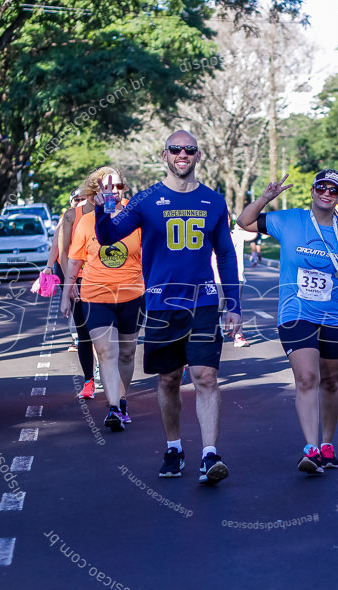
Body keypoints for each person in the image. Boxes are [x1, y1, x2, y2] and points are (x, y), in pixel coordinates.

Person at [95, 130, 241, 486]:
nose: (182, 154)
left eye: (189, 150)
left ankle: (210, 455)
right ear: (164, 155)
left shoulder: (214, 201)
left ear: (198, 156)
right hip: (161, 304)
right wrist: (101, 210)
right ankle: (174, 447)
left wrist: (234, 303)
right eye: (176, 149)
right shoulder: (146, 200)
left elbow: (224, 252)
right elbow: (108, 236)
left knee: (205, 377)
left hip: (203, 301)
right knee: (169, 379)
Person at [237, 170, 338, 474]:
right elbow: (244, 222)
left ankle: (327, 445)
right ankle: (311, 448)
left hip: (336, 315)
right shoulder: (289, 220)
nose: (326, 193)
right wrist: (266, 197)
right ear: (313, 190)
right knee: (307, 378)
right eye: (322, 187)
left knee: (330, 382)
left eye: (333, 190)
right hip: (296, 313)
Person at [61, 166, 143, 432]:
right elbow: (74, 261)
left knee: (127, 353)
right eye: (107, 187)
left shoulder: (136, 216)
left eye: (118, 187)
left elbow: (150, 253)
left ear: (124, 189)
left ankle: (122, 399)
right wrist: (66, 293)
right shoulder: (86, 221)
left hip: (132, 293)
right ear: (96, 192)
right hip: (96, 294)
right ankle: (114, 408)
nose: (113, 192)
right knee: (107, 351)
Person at [47, 187, 97, 399]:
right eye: (76, 199)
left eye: (83, 198)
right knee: (84, 331)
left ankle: (108, 376)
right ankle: (89, 380)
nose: (79, 201)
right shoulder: (67, 219)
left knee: (105, 333)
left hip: (101, 281)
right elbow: (61, 251)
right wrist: (69, 281)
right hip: (76, 279)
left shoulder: (100, 217)